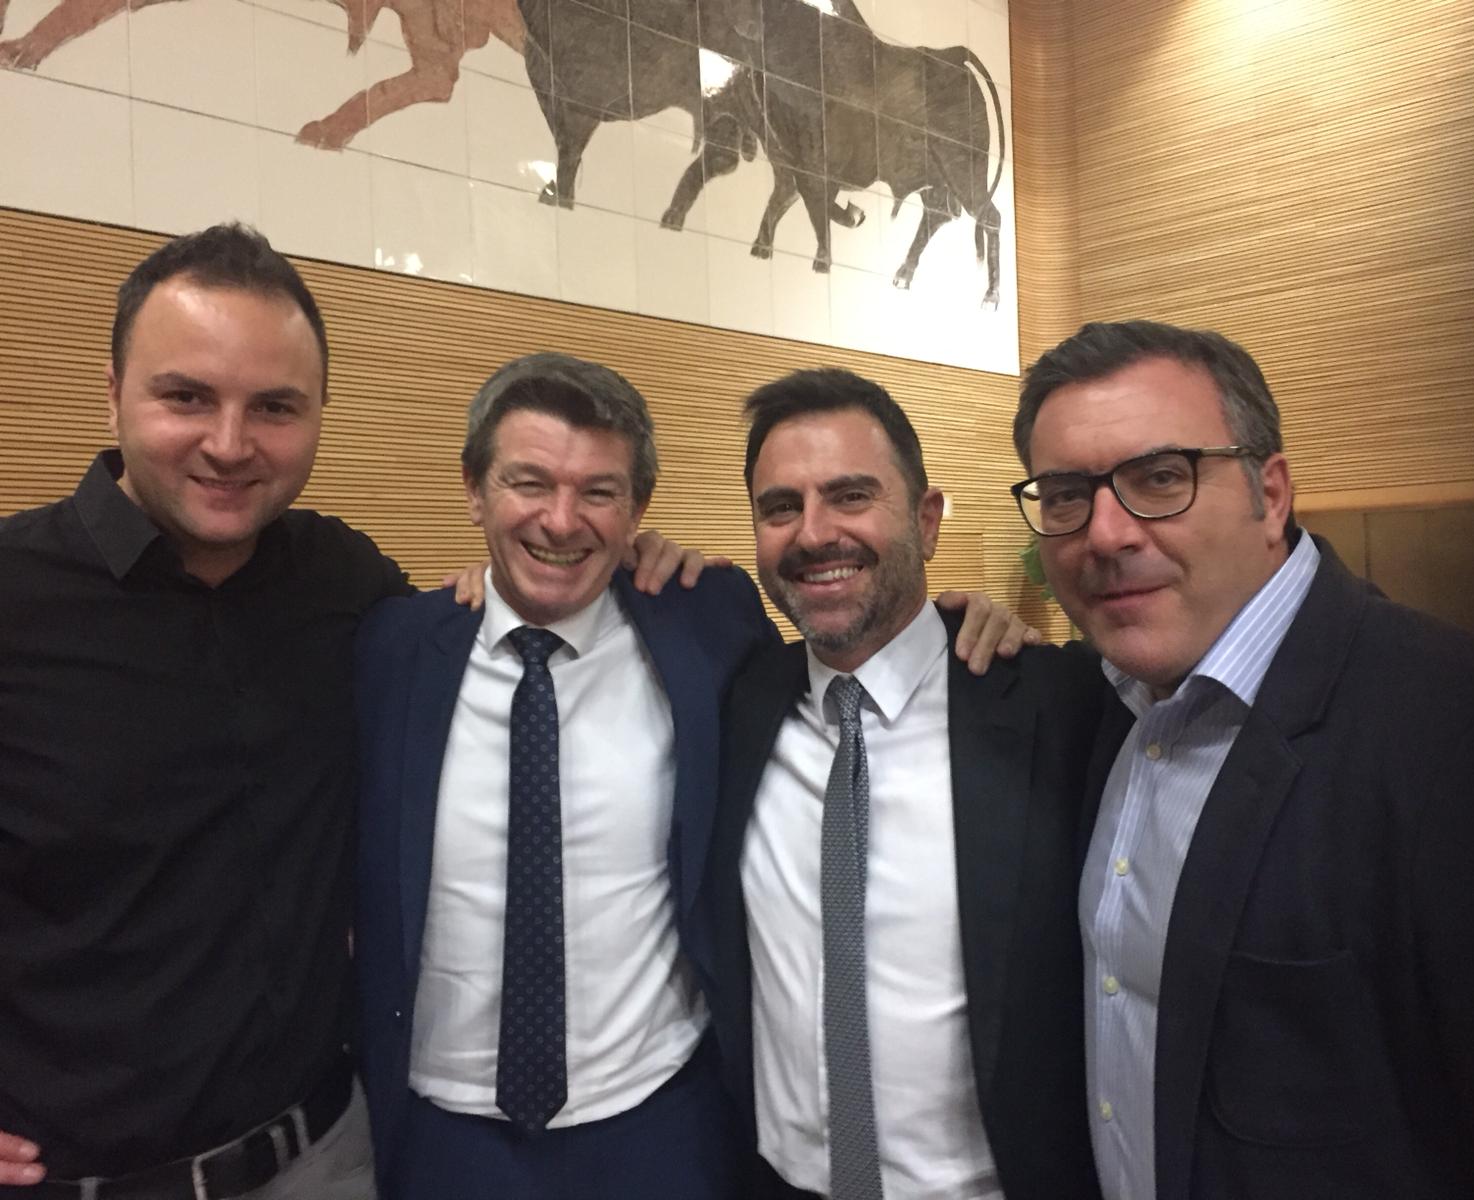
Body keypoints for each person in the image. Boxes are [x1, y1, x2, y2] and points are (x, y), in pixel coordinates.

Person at [0, 225, 701, 1198]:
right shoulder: (15, 597)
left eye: (274, 407)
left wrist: (629, 564)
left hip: (327, 1153)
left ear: (318, 413)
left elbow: (498, 604)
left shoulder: (346, 587)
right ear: (114, 390)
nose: (230, 444)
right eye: (186, 396)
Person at [351, 354, 1032, 1199]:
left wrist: (967, 619)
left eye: (599, 492)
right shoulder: (389, 649)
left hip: (664, 1123)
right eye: (528, 483)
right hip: (443, 1134)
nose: (561, 520)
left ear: (637, 510)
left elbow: (861, 637)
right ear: (474, 490)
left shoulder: (707, 621)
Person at [1010, 318, 1474, 1200]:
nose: (1105, 532)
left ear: (1272, 495)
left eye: (1161, 478)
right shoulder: (1106, 706)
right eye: (1065, 495)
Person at [708, 369, 1106, 1200]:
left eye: (850, 496)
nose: (813, 533)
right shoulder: (738, 698)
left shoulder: (1060, 708)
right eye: (780, 507)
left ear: (927, 521)